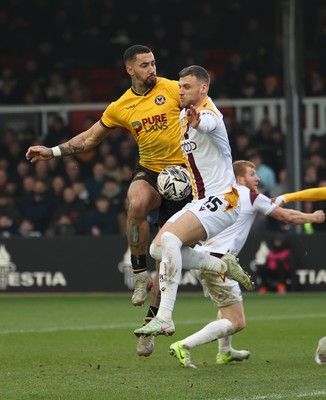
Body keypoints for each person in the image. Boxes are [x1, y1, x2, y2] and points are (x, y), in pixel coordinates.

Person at [25, 45, 194, 354]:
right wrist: (52, 152)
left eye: (153, 62)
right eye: (144, 65)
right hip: (153, 173)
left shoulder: (171, 89)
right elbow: (89, 139)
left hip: (186, 180)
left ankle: (151, 324)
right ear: (130, 70)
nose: (151, 69)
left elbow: (202, 102)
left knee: (169, 257)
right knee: (136, 203)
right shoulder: (121, 106)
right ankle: (140, 275)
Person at [166, 160, 325, 368]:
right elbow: (286, 217)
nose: (257, 178)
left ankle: (225, 352)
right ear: (240, 178)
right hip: (219, 262)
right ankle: (184, 345)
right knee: (237, 322)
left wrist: (281, 199)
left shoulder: (222, 193)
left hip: (204, 257)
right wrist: (312, 217)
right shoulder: (250, 196)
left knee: (227, 307)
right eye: (252, 174)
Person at [134, 66, 255, 339]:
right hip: (202, 200)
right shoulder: (181, 116)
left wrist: (198, 119)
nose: (180, 91)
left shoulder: (208, 113)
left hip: (224, 199)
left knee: (170, 242)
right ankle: (221, 264)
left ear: (203, 89)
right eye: (179, 86)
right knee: (156, 249)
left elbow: (208, 122)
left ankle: (164, 318)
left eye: (187, 87)